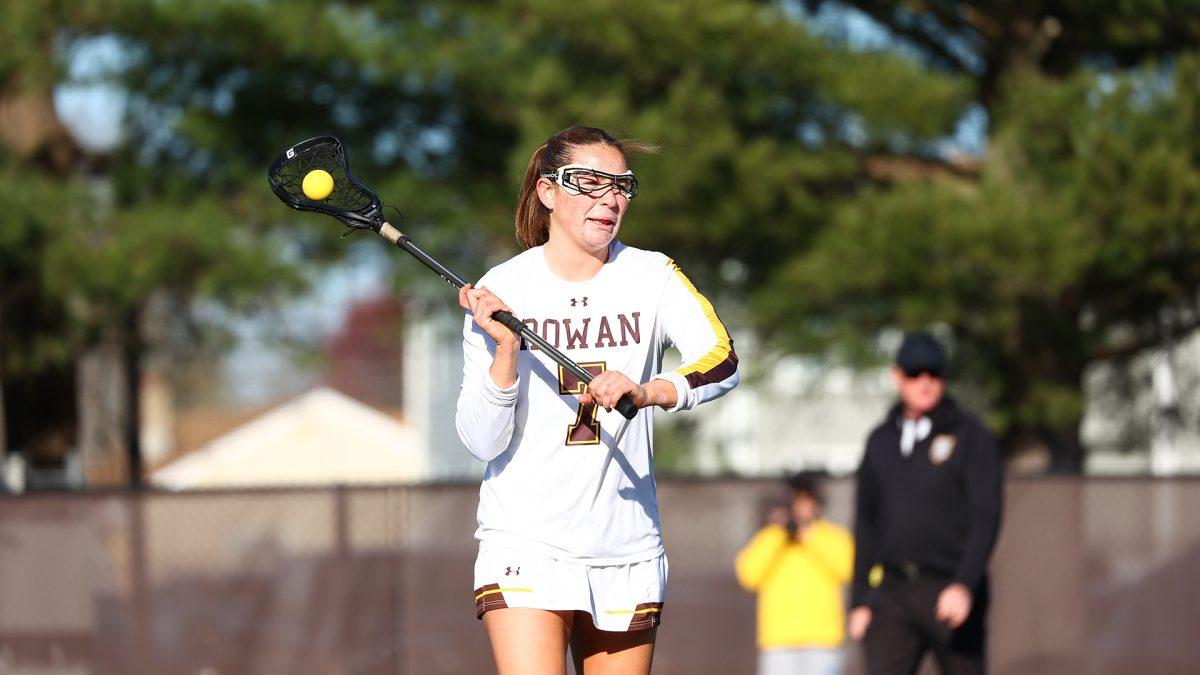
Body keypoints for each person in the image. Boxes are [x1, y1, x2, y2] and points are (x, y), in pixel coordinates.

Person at [455, 126, 739, 675]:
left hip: (626, 546)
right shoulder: (501, 288)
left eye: (622, 186)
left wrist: (650, 389)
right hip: (525, 539)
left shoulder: (652, 275)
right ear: (548, 192)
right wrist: (506, 351)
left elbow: (722, 359)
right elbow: (481, 440)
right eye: (590, 183)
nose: (610, 199)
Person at [846, 332, 1003, 675]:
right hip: (891, 592)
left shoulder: (970, 436)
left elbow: (985, 517)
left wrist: (964, 583)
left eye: (934, 374)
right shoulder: (880, 440)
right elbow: (866, 523)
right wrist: (858, 600)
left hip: (948, 587)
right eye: (915, 374)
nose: (925, 383)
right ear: (897, 377)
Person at [735, 471, 854, 675]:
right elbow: (748, 575)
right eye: (794, 502)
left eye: (803, 501)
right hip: (778, 642)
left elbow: (847, 569)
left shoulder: (833, 537)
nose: (798, 508)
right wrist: (778, 533)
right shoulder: (772, 537)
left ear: (816, 503)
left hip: (823, 641)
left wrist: (808, 535)